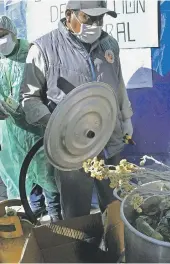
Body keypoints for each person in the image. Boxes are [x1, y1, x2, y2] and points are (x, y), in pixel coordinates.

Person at [20, 1, 134, 219]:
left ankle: (115, 249)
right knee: (76, 215)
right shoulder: (44, 48)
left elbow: (118, 85)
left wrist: (126, 117)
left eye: (100, 19)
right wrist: (54, 124)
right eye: (88, 18)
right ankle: (80, 251)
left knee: (116, 208)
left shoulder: (109, 45)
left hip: (110, 141)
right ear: (69, 14)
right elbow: (29, 99)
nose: (95, 25)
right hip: (71, 149)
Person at [0, 16, 61, 221]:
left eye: (2, 35)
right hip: (13, 128)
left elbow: (48, 86)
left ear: (13, 33)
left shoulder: (32, 53)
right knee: (24, 169)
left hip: (37, 126)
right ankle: (36, 207)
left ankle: (54, 211)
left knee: (46, 170)